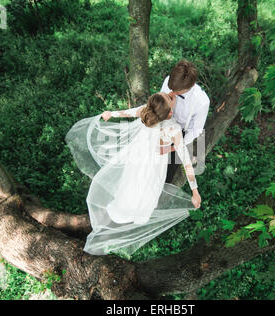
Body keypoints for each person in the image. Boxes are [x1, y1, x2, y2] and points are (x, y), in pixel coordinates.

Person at [65, 92, 201, 257]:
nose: (170, 94)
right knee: (140, 194)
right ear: (170, 113)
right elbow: (185, 159)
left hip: (136, 161)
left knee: (130, 190)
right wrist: (194, 190)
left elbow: (127, 113)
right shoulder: (173, 128)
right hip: (151, 168)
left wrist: (111, 114)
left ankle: (118, 218)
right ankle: (117, 224)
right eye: (169, 97)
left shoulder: (146, 111)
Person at [103, 60, 210, 182]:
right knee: (141, 164)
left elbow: (195, 131)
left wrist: (171, 148)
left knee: (165, 175)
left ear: (190, 86)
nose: (171, 93)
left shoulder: (202, 102)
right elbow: (154, 106)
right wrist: (112, 114)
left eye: (177, 91)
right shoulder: (168, 80)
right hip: (157, 125)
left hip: (178, 136)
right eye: (170, 88)